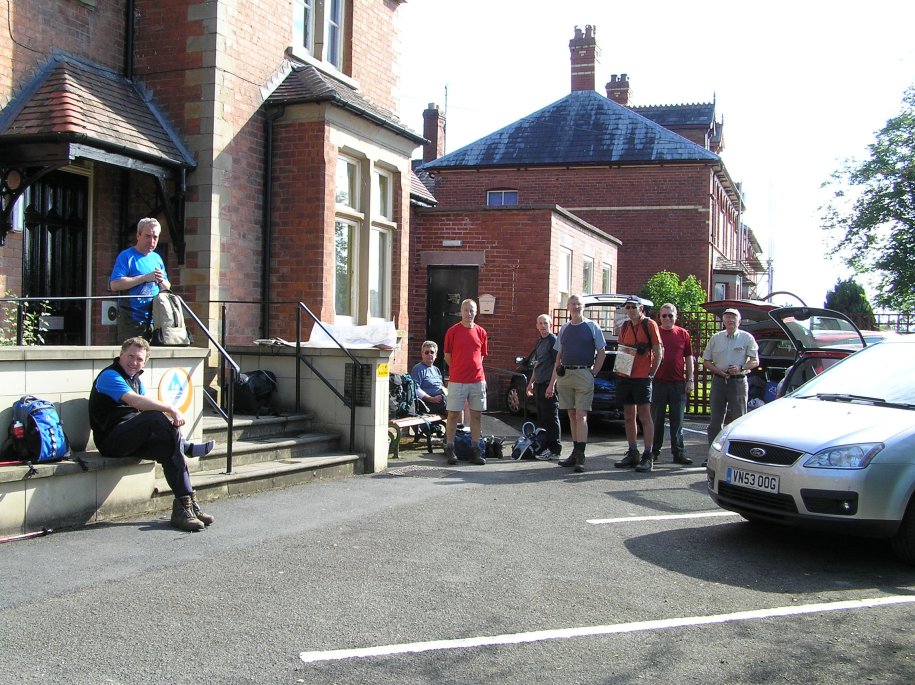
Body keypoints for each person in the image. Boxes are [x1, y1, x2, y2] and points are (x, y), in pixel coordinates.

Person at [89, 337, 216, 532]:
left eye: (139, 359)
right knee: (155, 416)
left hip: (130, 438)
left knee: (169, 450)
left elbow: (141, 411)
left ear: (145, 362)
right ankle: (186, 446)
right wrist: (171, 409)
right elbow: (137, 403)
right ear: (121, 354)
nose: (134, 362)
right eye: (130, 356)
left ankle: (185, 507)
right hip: (111, 440)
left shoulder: (136, 381)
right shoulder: (110, 376)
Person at [546, 294, 605, 473]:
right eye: (572, 304)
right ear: (568, 307)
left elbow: (601, 352)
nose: (576, 307)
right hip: (565, 374)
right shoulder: (564, 328)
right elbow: (558, 354)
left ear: (583, 306)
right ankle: (574, 451)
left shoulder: (592, 326)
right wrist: (554, 379)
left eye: (578, 304)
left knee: (581, 414)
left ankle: (581, 454)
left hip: (583, 373)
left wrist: (593, 372)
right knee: (571, 414)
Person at [702, 307, 760, 461]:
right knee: (715, 421)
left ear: (739, 321)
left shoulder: (747, 338)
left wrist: (741, 368)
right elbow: (706, 361)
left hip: (738, 382)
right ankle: (712, 456)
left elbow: (755, 361)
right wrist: (718, 371)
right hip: (719, 381)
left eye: (733, 318)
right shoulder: (716, 338)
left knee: (739, 420)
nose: (730, 320)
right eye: (727, 317)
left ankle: (737, 457)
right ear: (723, 321)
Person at [613, 295, 662, 473]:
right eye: (628, 307)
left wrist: (651, 374)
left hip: (642, 377)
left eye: (634, 307)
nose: (631, 310)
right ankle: (632, 451)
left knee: (645, 416)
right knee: (628, 415)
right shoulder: (625, 326)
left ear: (641, 309)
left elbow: (658, 350)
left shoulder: (649, 324)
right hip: (626, 376)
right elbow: (622, 350)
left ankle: (648, 455)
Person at [443, 299, 488, 465]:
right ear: (461, 311)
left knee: (476, 416)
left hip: (477, 380)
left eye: (472, 310)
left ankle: (476, 450)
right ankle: (450, 448)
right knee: (453, 414)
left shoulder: (481, 332)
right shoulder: (452, 331)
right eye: (466, 310)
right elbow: (447, 355)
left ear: (476, 312)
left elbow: (481, 356)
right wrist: (458, 369)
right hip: (457, 380)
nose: (469, 313)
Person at [109, 217, 170, 341]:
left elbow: (167, 286)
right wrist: (144, 278)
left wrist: (161, 280)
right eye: (147, 236)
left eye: (155, 237)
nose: (151, 241)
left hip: (155, 320)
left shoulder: (157, 258)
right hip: (132, 321)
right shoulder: (126, 256)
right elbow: (115, 284)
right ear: (138, 235)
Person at [650, 303, 695, 465]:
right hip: (658, 383)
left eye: (670, 315)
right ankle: (653, 452)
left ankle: (678, 453)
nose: (667, 318)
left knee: (678, 421)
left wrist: (690, 379)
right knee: (657, 419)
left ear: (676, 316)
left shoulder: (683, 334)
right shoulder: (654, 333)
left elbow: (689, 358)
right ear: (660, 317)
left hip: (678, 384)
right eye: (664, 316)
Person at [526, 314, 562, 460]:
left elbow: (557, 364)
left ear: (551, 325)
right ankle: (545, 446)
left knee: (551, 417)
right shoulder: (540, 341)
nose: (543, 326)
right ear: (536, 326)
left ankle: (555, 449)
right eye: (540, 323)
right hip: (539, 384)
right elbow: (538, 363)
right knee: (542, 417)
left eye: (545, 323)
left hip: (549, 384)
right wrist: (531, 382)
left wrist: (551, 385)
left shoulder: (553, 341)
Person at [411, 340, 447, 415]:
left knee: (457, 405)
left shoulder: (436, 370)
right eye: (426, 352)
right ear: (422, 354)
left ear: (436, 355)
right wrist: (431, 399)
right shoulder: (418, 369)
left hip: (441, 401)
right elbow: (415, 389)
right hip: (427, 404)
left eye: (432, 352)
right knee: (453, 408)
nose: (429, 354)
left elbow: (441, 386)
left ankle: (458, 426)